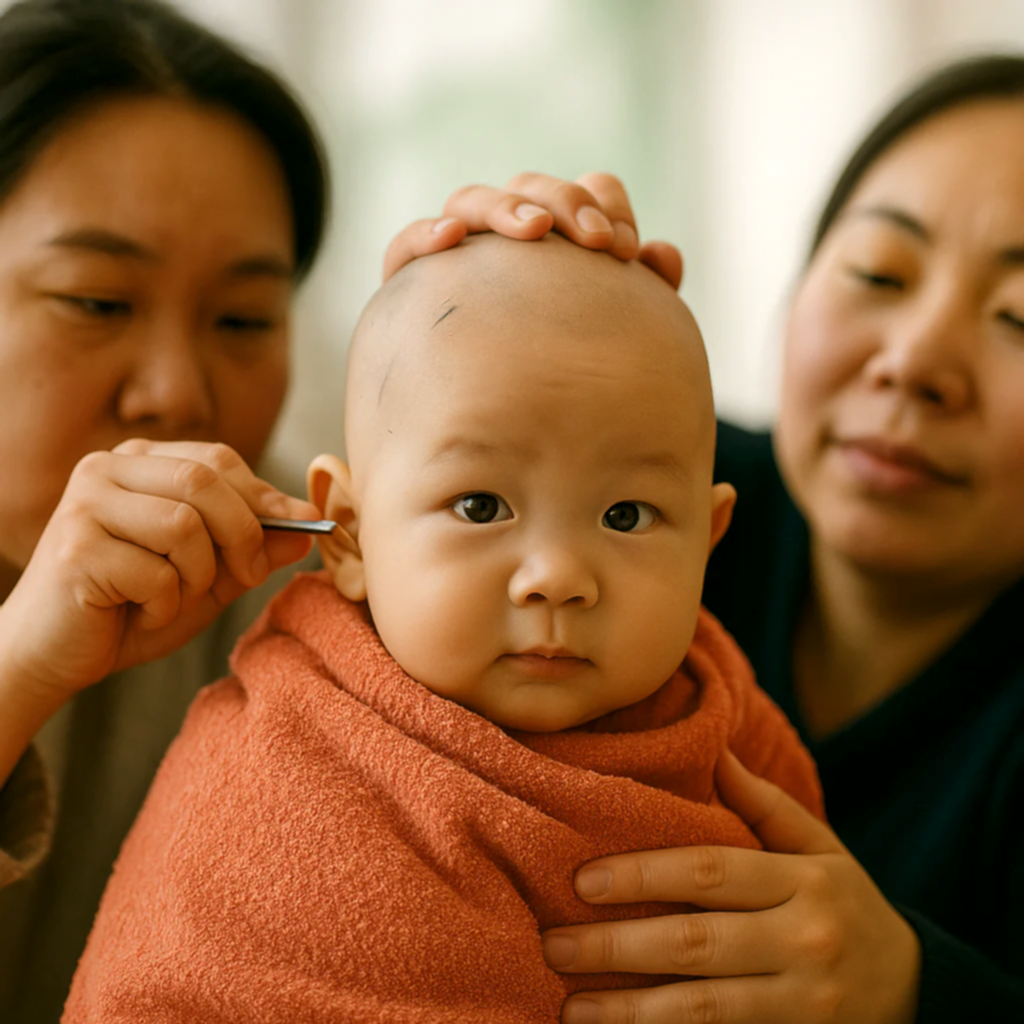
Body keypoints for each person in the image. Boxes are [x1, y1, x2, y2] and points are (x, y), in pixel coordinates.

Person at [63, 232, 823, 1023]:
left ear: (707, 540)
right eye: (481, 507)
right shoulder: (281, 757)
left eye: (625, 515)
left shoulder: (726, 719)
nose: (557, 577)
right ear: (351, 536)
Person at [414, 57, 1024, 1022]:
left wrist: (918, 991)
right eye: (878, 272)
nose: (913, 363)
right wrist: (459, 334)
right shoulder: (632, 496)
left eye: (1019, 321)